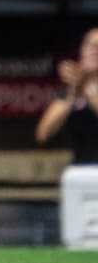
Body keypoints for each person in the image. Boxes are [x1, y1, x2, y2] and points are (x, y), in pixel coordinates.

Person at [36, 28, 98, 164]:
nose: (94, 50)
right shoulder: (72, 89)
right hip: (82, 170)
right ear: (81, 51)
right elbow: (43, 134)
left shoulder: (85, 87)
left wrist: (87, 87)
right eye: (89, 45)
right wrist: (74, 91)